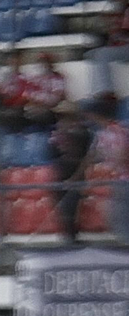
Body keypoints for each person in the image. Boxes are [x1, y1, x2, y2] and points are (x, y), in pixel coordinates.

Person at [85, 94, 129, 242]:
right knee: (114, 215)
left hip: (124, 179)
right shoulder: (102, 133)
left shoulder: (118, 131)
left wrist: (109, 167)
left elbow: (121, 156)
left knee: (121, 214)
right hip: (115, 180)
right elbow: (95, 155)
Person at [50, 102, 94, 242]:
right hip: (61, 171)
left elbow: (85, 157)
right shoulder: (57, 132)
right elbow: (53, 152)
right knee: (61, 207)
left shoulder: (83, 133)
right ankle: (67, 235)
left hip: (75, 170)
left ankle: (71, 238)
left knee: (71, 206)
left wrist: (76, 177)